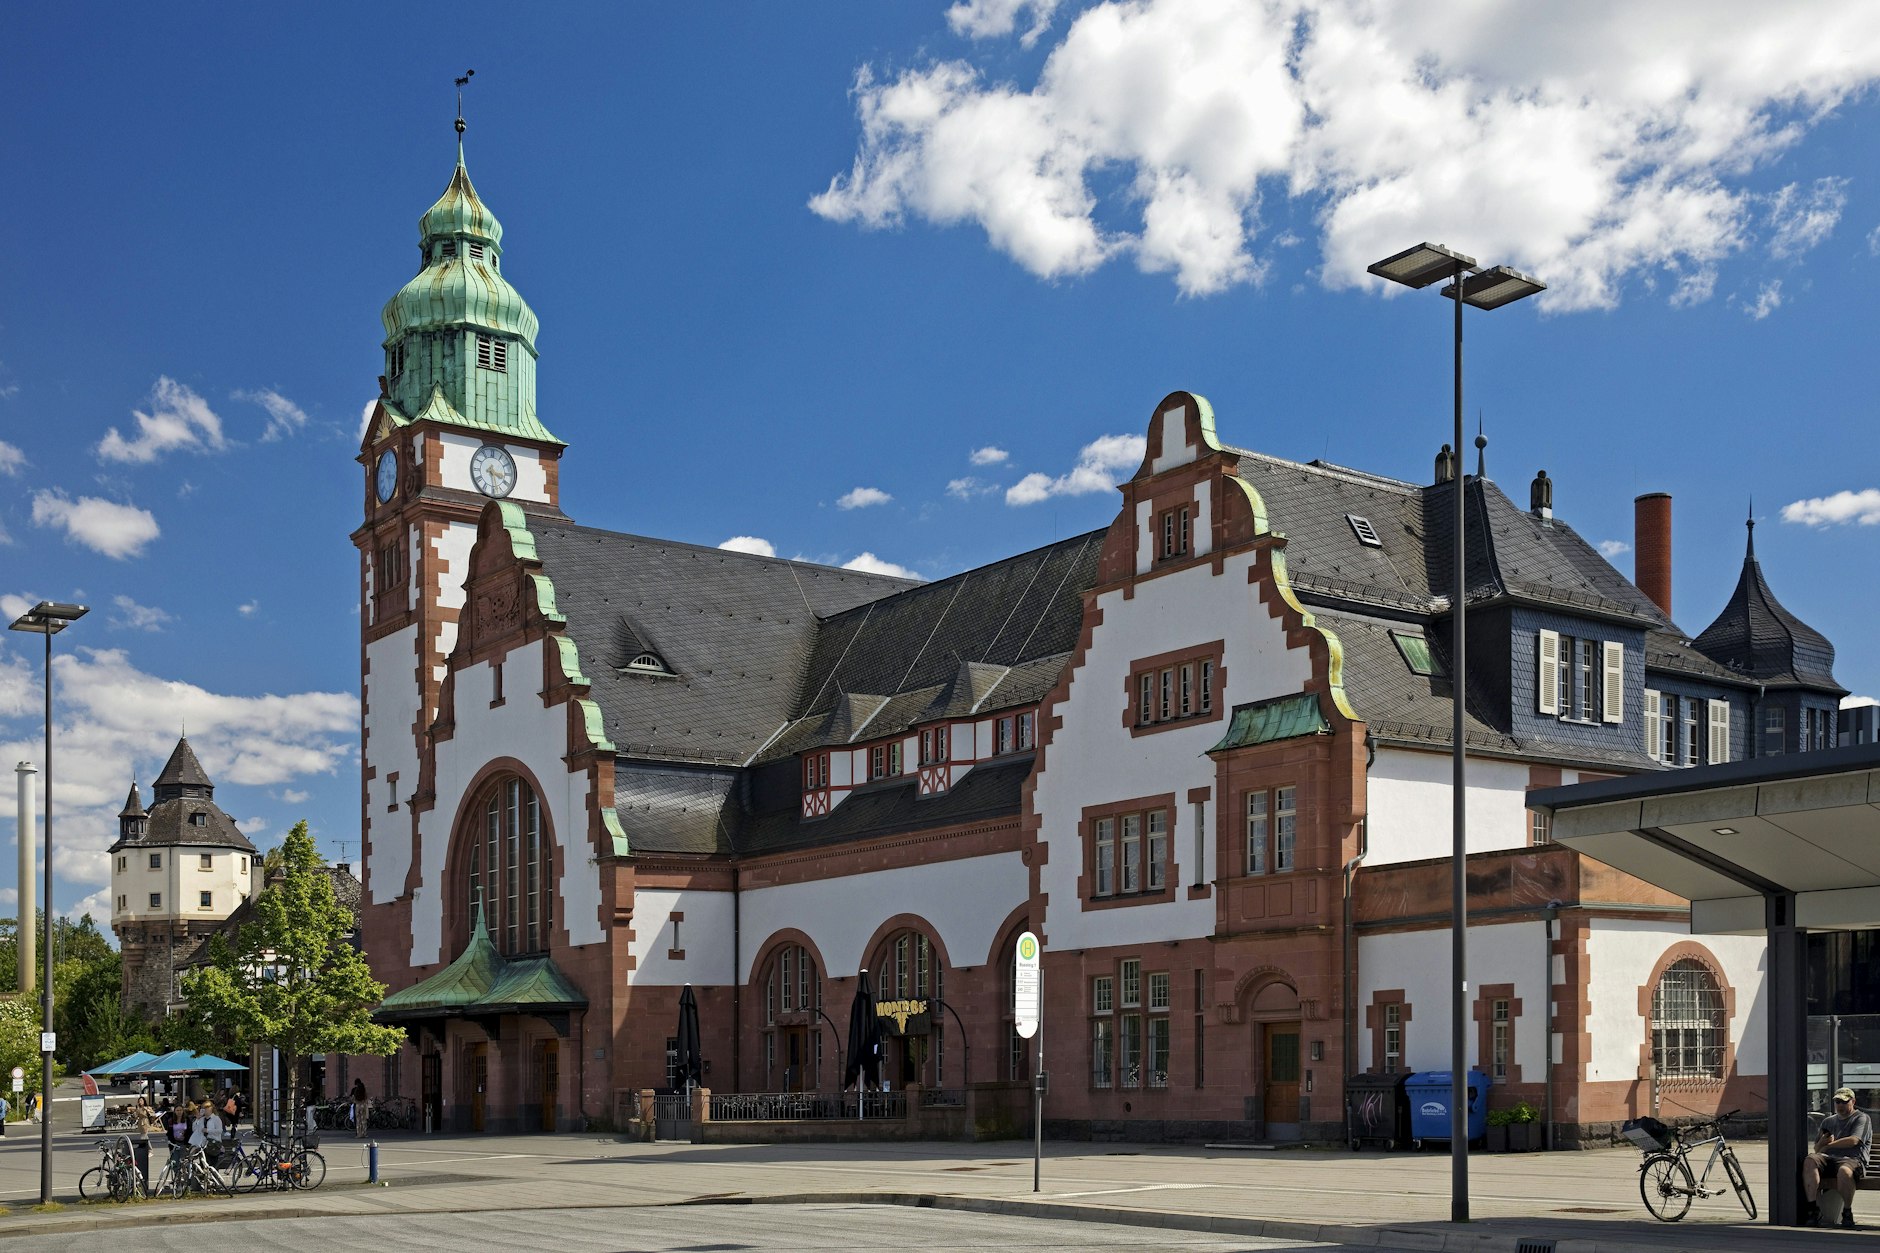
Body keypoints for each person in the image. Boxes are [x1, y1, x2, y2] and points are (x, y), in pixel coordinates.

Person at [1806, 1087, 1873, 1228]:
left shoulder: (1861, 1118)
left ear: (1853, 1101)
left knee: (1844, 1171)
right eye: (1837, 1102)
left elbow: (1854, 1140)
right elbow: (1817, 1149)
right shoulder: (1828, 1121)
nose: (1840, 1105)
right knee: (1810, 1160)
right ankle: (1813, 1209)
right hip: (1829, 1159)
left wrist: (1829, 1145)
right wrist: (1823, 1143)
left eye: (1844, 1102)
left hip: (1853, 1160)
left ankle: (1847, 1212)